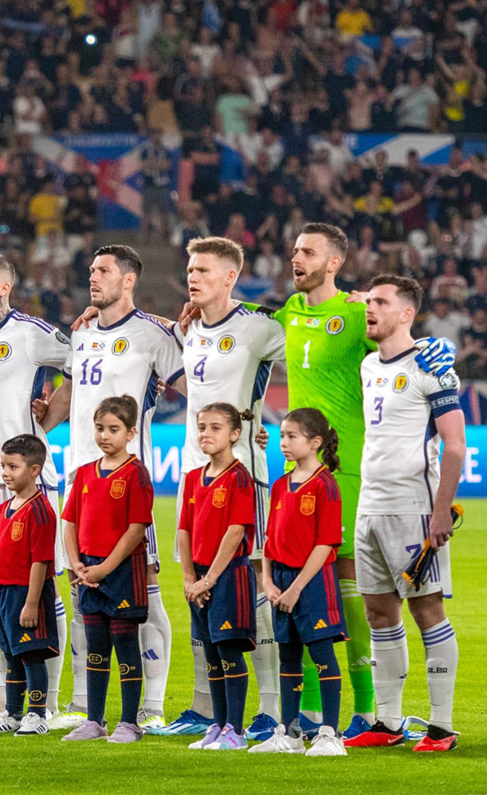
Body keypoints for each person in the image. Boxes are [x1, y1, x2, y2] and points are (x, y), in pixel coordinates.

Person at [257, 224, 455, 740]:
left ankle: (367, 708)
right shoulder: (289, 313)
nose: (295, 258)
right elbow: (241, 329)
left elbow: (406, 334)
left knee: (348, 589)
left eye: (307, 252)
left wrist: (441, 347)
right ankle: (325, 712)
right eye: (294, 249)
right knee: (322, 589)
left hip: (351, 471)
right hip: (297, 468)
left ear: (334, 262)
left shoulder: (355, 311)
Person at [38, 245, 183, 730]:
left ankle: (153, 707)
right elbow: (71, 393)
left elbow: (195, 385)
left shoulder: (153, 335)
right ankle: (88, 707)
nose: (93, 277)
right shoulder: (81, 334)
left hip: (126, 482)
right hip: (80, 478)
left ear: (128, 281)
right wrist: (44, 416)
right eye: (91, 269)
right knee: (82, 589)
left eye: (103, 271)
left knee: (148, 588)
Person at [170, 237, 285, 740]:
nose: (193, 277)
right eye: (190, 269)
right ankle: (206, 707)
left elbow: (305, 355)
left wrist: (266, 421)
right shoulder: (189, 327)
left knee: (252, 590)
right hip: (195, 477)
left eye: (203, 270)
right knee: (197, 590)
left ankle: (270, 707)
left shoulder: (258, 325)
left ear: (230, 277)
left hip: (245, 476)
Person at [345, 275, 465, 753]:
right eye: (368, 301)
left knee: (426, 609)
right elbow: (363, 304)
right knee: (378, 612)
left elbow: (454, 446)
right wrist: (359, 297)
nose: (370, 309)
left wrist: (439, 513)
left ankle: (441, 727)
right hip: (369, 506)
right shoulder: (370, 364)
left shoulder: (432, 365)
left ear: (406, 314)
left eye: (381, 302)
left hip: (413, 508)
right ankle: (389, 723)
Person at [0, 252, 72, 727]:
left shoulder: (29, 331)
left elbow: (82, 365)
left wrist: (53, 415)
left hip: (26, 482)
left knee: (45, 591)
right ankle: (5, 700)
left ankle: (57, 701)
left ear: (4, 287)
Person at [250, 408, 347, 757]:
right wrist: (268, 581)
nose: (284, 443)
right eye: (282, 437)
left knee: (322, 655)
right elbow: (269, 540)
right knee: (287, 657)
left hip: (313, 583)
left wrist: (295, 588)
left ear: (315, 442)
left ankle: (330, 734)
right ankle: (289, 733)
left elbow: (325, 544)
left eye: (291, 436)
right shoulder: (279, 485)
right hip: (280, 582)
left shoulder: (325, 484)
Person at [60, 396, 154, 744]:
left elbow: (135, 528)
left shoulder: (135, 472)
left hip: (121, 573)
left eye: (113, 429)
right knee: (95, 648)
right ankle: (94, 721)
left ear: (130, 432)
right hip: (88, 574)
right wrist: (76, 563)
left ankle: (129, 722)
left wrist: (104, 568)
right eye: (100, 428)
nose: (104, 436)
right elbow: (69, 520)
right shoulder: (85, 472)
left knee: (126, 645)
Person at [178, 403, 259, 751]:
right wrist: (187, 578)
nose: (205, 435)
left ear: (234, 434)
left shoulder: (240, 477)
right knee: (210, 654)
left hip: (227, 577)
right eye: (201, 428)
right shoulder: (194, 477)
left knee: (229, 652)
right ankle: (217, 724)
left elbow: (235, 531)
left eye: (215, 428)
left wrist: (208, 580)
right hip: (197, 578)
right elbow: (184, 529)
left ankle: (235, 730)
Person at [0, 434, 60, 737]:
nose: (5, 472)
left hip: (27, 594)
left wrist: (31, 603)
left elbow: (40, 562)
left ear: (34, 469)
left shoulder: (41, 510)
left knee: (31, 654)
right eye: (3, 465)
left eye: (13, 466)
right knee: (11, 654)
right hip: (2, 593)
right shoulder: (3, 509)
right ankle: (12, 713)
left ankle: (37, 715)